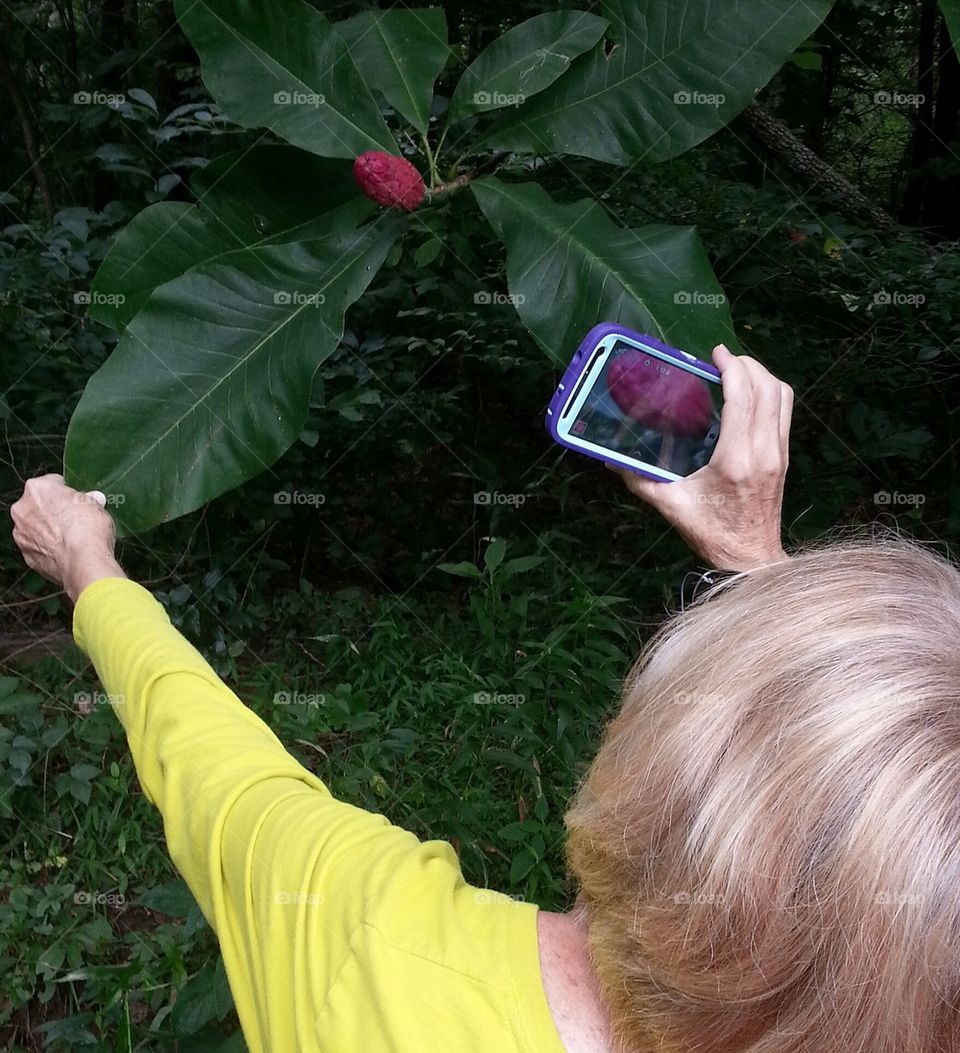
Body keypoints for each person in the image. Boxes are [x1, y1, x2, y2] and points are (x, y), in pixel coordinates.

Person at [13, 345, 956, 1052]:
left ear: (652, 760)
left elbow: (211, 759)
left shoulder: (374, 945)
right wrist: (758, 569)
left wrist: (85, 560)